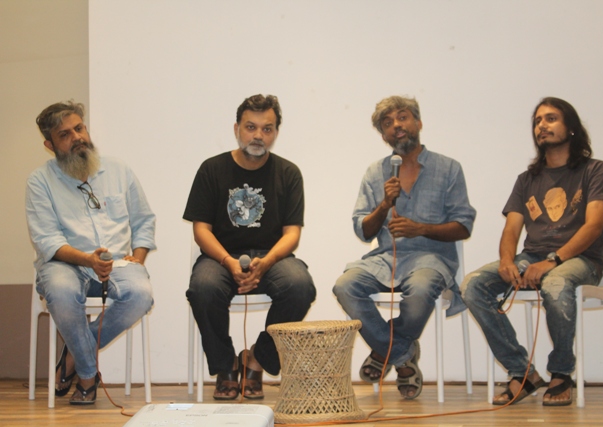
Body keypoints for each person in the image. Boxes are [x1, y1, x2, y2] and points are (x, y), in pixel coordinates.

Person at [461, 97, 603, 407]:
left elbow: (594, 226)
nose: (542, 125)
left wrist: (553, 261)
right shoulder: (527, 179)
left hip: (580, 259)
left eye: (551, 118)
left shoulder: (595, 170)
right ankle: (523, 373)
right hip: (531, 258)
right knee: (472, 286)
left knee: (556, 282)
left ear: (571, 128)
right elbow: (511, 230)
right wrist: (507, 260)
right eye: (537, 121)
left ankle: (561, 373)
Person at [333, 96, 476, 399]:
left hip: (432, 258)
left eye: (402, 117)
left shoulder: (449, 168)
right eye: (387, 123)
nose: (396, 125)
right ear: (383, 135)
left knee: (420, 291)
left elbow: (463, 226)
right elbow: (363, 230)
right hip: (385, 258)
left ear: (418, 122)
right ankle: (402, 355)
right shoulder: (375, 172)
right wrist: (385, 204)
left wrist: (420, 228)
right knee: (345, 286)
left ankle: (383, 351)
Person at [184, 94, 316, 401]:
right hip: (220, 257)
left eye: (267, 129)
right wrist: (228, 261)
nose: (258, 135)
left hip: (273, 258)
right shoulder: (211, 169)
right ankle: (226, 366)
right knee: (203, 289)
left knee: (300, 286)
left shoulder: (289, 173)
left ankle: (257, 360)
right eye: (251, 127)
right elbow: (201, 230)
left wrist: (266, 262)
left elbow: (292, 234)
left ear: (276, 133)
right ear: (237, 129)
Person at [26, 101, 156, 405]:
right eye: (65, 134)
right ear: (50, 145)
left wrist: (138, 257)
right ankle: (87, 376)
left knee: (141, 295)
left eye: (79, 128)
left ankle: (73, 355)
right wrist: (88, 260)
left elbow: (144, 220)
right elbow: (47, 240)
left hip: (117, 263)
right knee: (61, 292)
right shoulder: (39, 181)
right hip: (64, 263)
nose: (77, 137)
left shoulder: (118, 170)